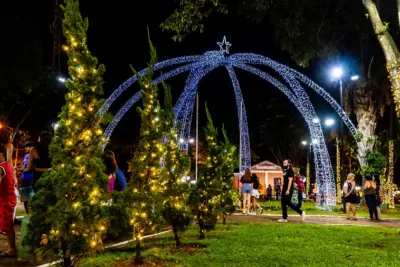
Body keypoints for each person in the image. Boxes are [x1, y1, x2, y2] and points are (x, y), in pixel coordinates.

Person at [0, 145, 17, 257]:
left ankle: (11, 249)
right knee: (8, 226)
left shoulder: (1, 168)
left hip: (5, 200)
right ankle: (11, 248)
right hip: (8, 199)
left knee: (8, 227)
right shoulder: (7, 165)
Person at [17, 141, 35, 214]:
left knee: (32, 200)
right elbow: (25, 166)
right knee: (25, 200)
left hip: (30, 180)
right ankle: (28, 215)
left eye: (28, 147)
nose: (26, 148)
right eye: (26, 147)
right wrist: (19, 168)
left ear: (32, 148)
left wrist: (22, 169)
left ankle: (32, 216)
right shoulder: (26, 156)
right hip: (23, 181)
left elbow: (30, 168)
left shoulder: (33, 156)